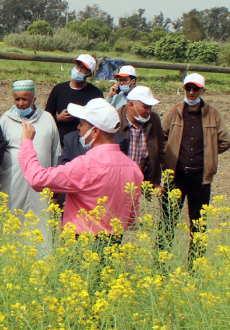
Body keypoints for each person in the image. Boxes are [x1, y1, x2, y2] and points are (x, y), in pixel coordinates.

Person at [19, 98, 143, 250]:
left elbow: (38, 179)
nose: (78, 128)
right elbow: (130, 217)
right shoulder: (133, 168)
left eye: (82, 124)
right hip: (114, 244)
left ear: (95, 132)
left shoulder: (86, 165)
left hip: (81, 243)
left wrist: (26, 143)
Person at [161, 73, 230, 264]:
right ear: (184, 88)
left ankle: (195, 268)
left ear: (203, 90)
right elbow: (161, 136)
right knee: (167, 224)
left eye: (195, 89)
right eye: (188, 88)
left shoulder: (213, 113)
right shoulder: (174, 112)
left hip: (201, 177)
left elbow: (225, 141)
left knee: (198, 226)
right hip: (175, 176)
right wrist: (168, 156)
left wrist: (209, 152)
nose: (191, 92)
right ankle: (161, 267)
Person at [0, 80, 60, 254]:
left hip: (41, 186)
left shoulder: (47, 119)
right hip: (12, 184)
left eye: (25, 99)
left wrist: (55, 185)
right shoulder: (5, 120)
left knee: (40, 224)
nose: (20, 103)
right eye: (17, 99)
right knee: (12, 222)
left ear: (34, 97)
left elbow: (56, 152)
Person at [44, 54, 104, 143]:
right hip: (60, 142)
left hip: (83, 143)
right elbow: (46, 117)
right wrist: (58, 118)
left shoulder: (96, 94)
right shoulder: (59, 89)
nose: (79, 70)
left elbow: (99, 122)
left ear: (90, 74)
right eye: (78, 65)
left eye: (84, 68)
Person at [118, 86, 165, 189]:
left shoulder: (154, 119)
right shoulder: (116, 120)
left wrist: (155, 181)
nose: (149, 111)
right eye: (145, 107)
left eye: (150, 107)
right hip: (118, 181)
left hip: (140, 181)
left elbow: (159, 151)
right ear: (131, 105)